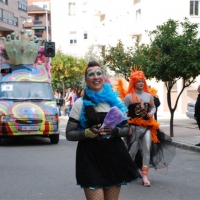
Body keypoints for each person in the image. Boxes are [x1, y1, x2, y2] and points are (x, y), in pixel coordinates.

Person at [65, 61, 141, 200]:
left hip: (114, 157)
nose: (95, 76)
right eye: (91, 74)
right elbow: (69, 134)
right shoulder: (80, 103)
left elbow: (127, 129)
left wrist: (114, 131)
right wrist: (87, 132)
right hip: (90, 159)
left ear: (103, 77)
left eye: (99, 73)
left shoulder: (115, 101)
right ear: (86, 80)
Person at [123, 68, 176, 187]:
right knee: (132, 151)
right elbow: (121, 112)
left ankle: (145, 175)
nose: (141, 83)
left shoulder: (148, 96)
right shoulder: (128, 97)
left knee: (147, 149)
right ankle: (128, 172)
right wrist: (127, 126)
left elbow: (153, 107)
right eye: (138, 81)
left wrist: (152, 112)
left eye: (142, 81)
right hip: (134, 128)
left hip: (146, 127)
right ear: (134, 82)